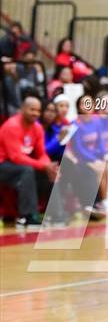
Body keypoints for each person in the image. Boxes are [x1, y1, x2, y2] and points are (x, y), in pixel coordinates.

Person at [0, 95, 63, 227]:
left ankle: (55, 214)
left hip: (19, 164)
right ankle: (27, 217)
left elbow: (42, 154)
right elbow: (15, 157)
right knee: (27, 171)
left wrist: (48, 166)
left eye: (38, 110)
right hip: (4, 164)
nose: (35, 113)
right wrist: (43, 165)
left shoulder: (37, 128)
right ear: (23, 109)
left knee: (51, 172)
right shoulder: (12, 126)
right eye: (32, 109)